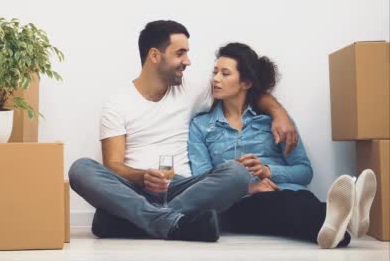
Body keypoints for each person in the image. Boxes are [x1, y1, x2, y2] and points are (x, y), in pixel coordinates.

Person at [68, 21, 299, 242]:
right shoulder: (117, 103)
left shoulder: (192, 89)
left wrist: (279, 113)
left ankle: (140, 220)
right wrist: (142, 177)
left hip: (183, 189)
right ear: (155, 56)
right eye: (180, 53)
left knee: (237, 173)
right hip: (134, 189)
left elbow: (243, 88)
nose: (187, 61)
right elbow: (113, 165)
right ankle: (171, 221)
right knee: (80, 169)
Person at [188, 42, 377, 248]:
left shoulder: (275, 122)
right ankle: (349, 218)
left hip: (292, 194)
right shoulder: (201, 125)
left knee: (300, 203)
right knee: (284, 205)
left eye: (225, 73)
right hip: (240, 204)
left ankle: (338, 229)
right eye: (215, 72)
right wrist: (247, 186)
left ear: (246, 83)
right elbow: (202, 180)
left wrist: (268, 171)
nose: (215, 79)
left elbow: (304, 172)